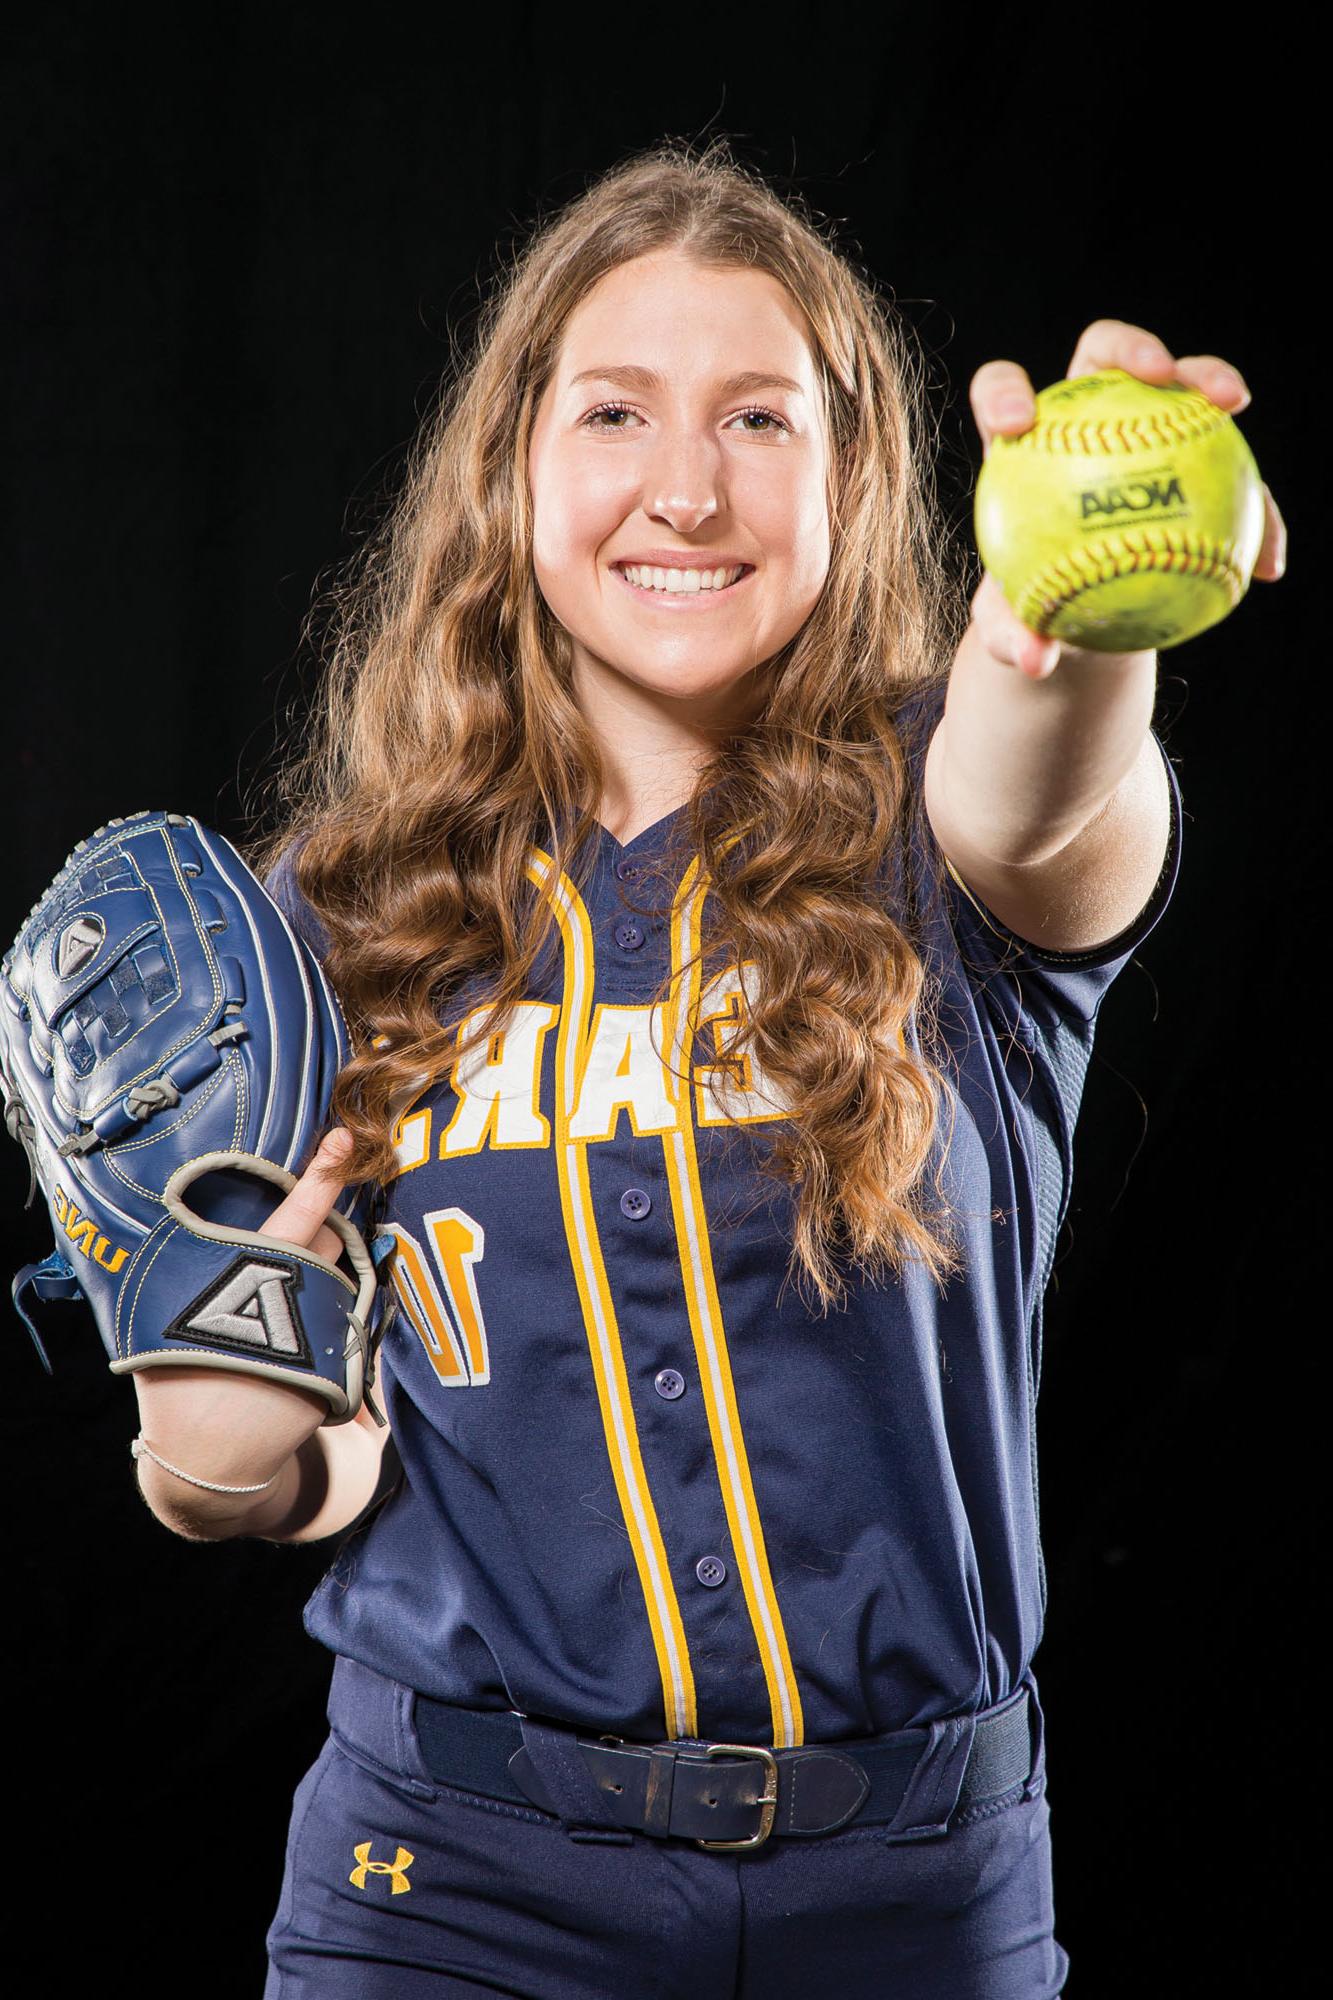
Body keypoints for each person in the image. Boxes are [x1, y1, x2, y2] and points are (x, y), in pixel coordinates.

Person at [130, 138, 1285, 1997]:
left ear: (853, 479)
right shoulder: (330, 922)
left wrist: (1066, 634)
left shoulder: (945, 830)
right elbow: (288, 1467)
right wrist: (213, 1446)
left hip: (914, 1902)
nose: (684, 487)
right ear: (511, 474)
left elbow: (1046, 771)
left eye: (759, 418)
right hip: (453, 1894)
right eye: (613, 415)